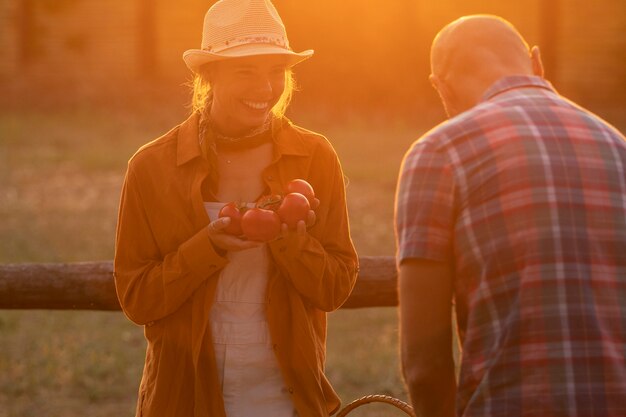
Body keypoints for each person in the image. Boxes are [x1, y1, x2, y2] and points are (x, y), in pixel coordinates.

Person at [114, 1, 358, 416]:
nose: (265, 89)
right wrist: (206, 246)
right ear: (208, 74)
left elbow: (334, 288)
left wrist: (291, 241)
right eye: (246, 70)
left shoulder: (314, 157)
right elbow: (138, 300)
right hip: (183, 399)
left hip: (286, 398)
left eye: (276, 72)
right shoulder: (151, 167)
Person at [395, 15, 626, 417]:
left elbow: (425, 365)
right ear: (537, 63)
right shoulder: (617, 146)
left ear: (441, 87)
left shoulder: (439, 153)